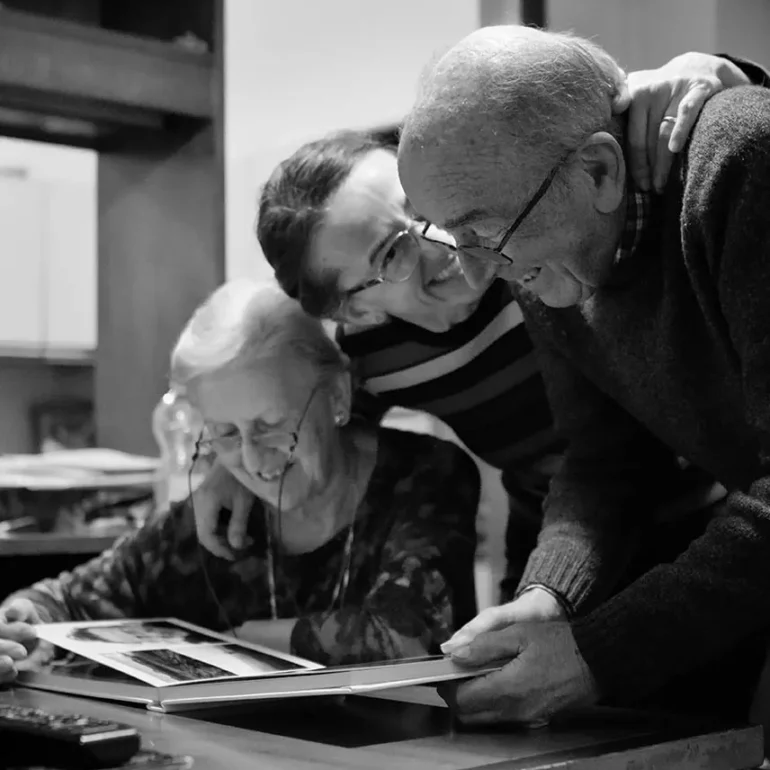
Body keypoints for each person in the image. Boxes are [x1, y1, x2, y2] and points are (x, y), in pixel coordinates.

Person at [193, 53, 767, 605]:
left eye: (424, 211)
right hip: (564, 536)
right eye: (391, 255)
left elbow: (626, 133)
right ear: (357, 312)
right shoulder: (372, 360)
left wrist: (724, 68)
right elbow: (292, 397)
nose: (446, 244)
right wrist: (230, 462)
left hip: (712, 511)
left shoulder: (536, 243)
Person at [397, 24, 770, 728]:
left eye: (484, 234)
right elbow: (603, 464)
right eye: (449, 234)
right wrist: (551, 595)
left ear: (598, 172)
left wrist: (599, 653)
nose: (475, 272)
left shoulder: (741, 161)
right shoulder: (542, 253)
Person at [0, 280, 479, 684]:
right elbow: (69, 598)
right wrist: (19, 625)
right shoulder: (222, 508)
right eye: (225, 434)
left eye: (271, 424)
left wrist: (230, 645)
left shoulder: (424, 473)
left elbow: (408, 635)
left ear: (337, 395)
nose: (251, 460)